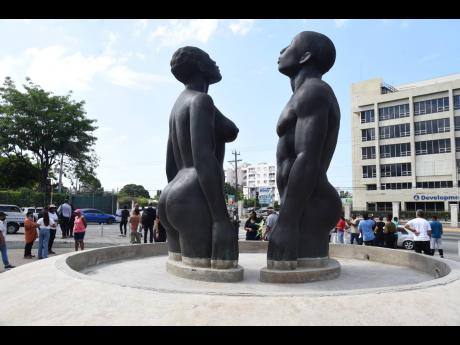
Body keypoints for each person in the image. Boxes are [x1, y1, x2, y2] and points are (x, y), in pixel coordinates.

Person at [157, 46, 239, 269]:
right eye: (210, 59)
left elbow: (169, 163)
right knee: (206, 270)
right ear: (201, 66)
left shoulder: (179, 105)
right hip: (193, 194)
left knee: (180, 266)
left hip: (171, 194)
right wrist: (221, 218)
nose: (216, 63)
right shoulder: (201, 101)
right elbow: (203, 158)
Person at [267, 31, 342, 267]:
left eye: (289, 46)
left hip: (312, 203)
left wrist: (287, 222)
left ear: (304, 57)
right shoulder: (302, 93)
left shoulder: (314, 91)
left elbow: (307, 157)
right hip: (300, 204)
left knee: (305, 268)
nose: (281, 51)